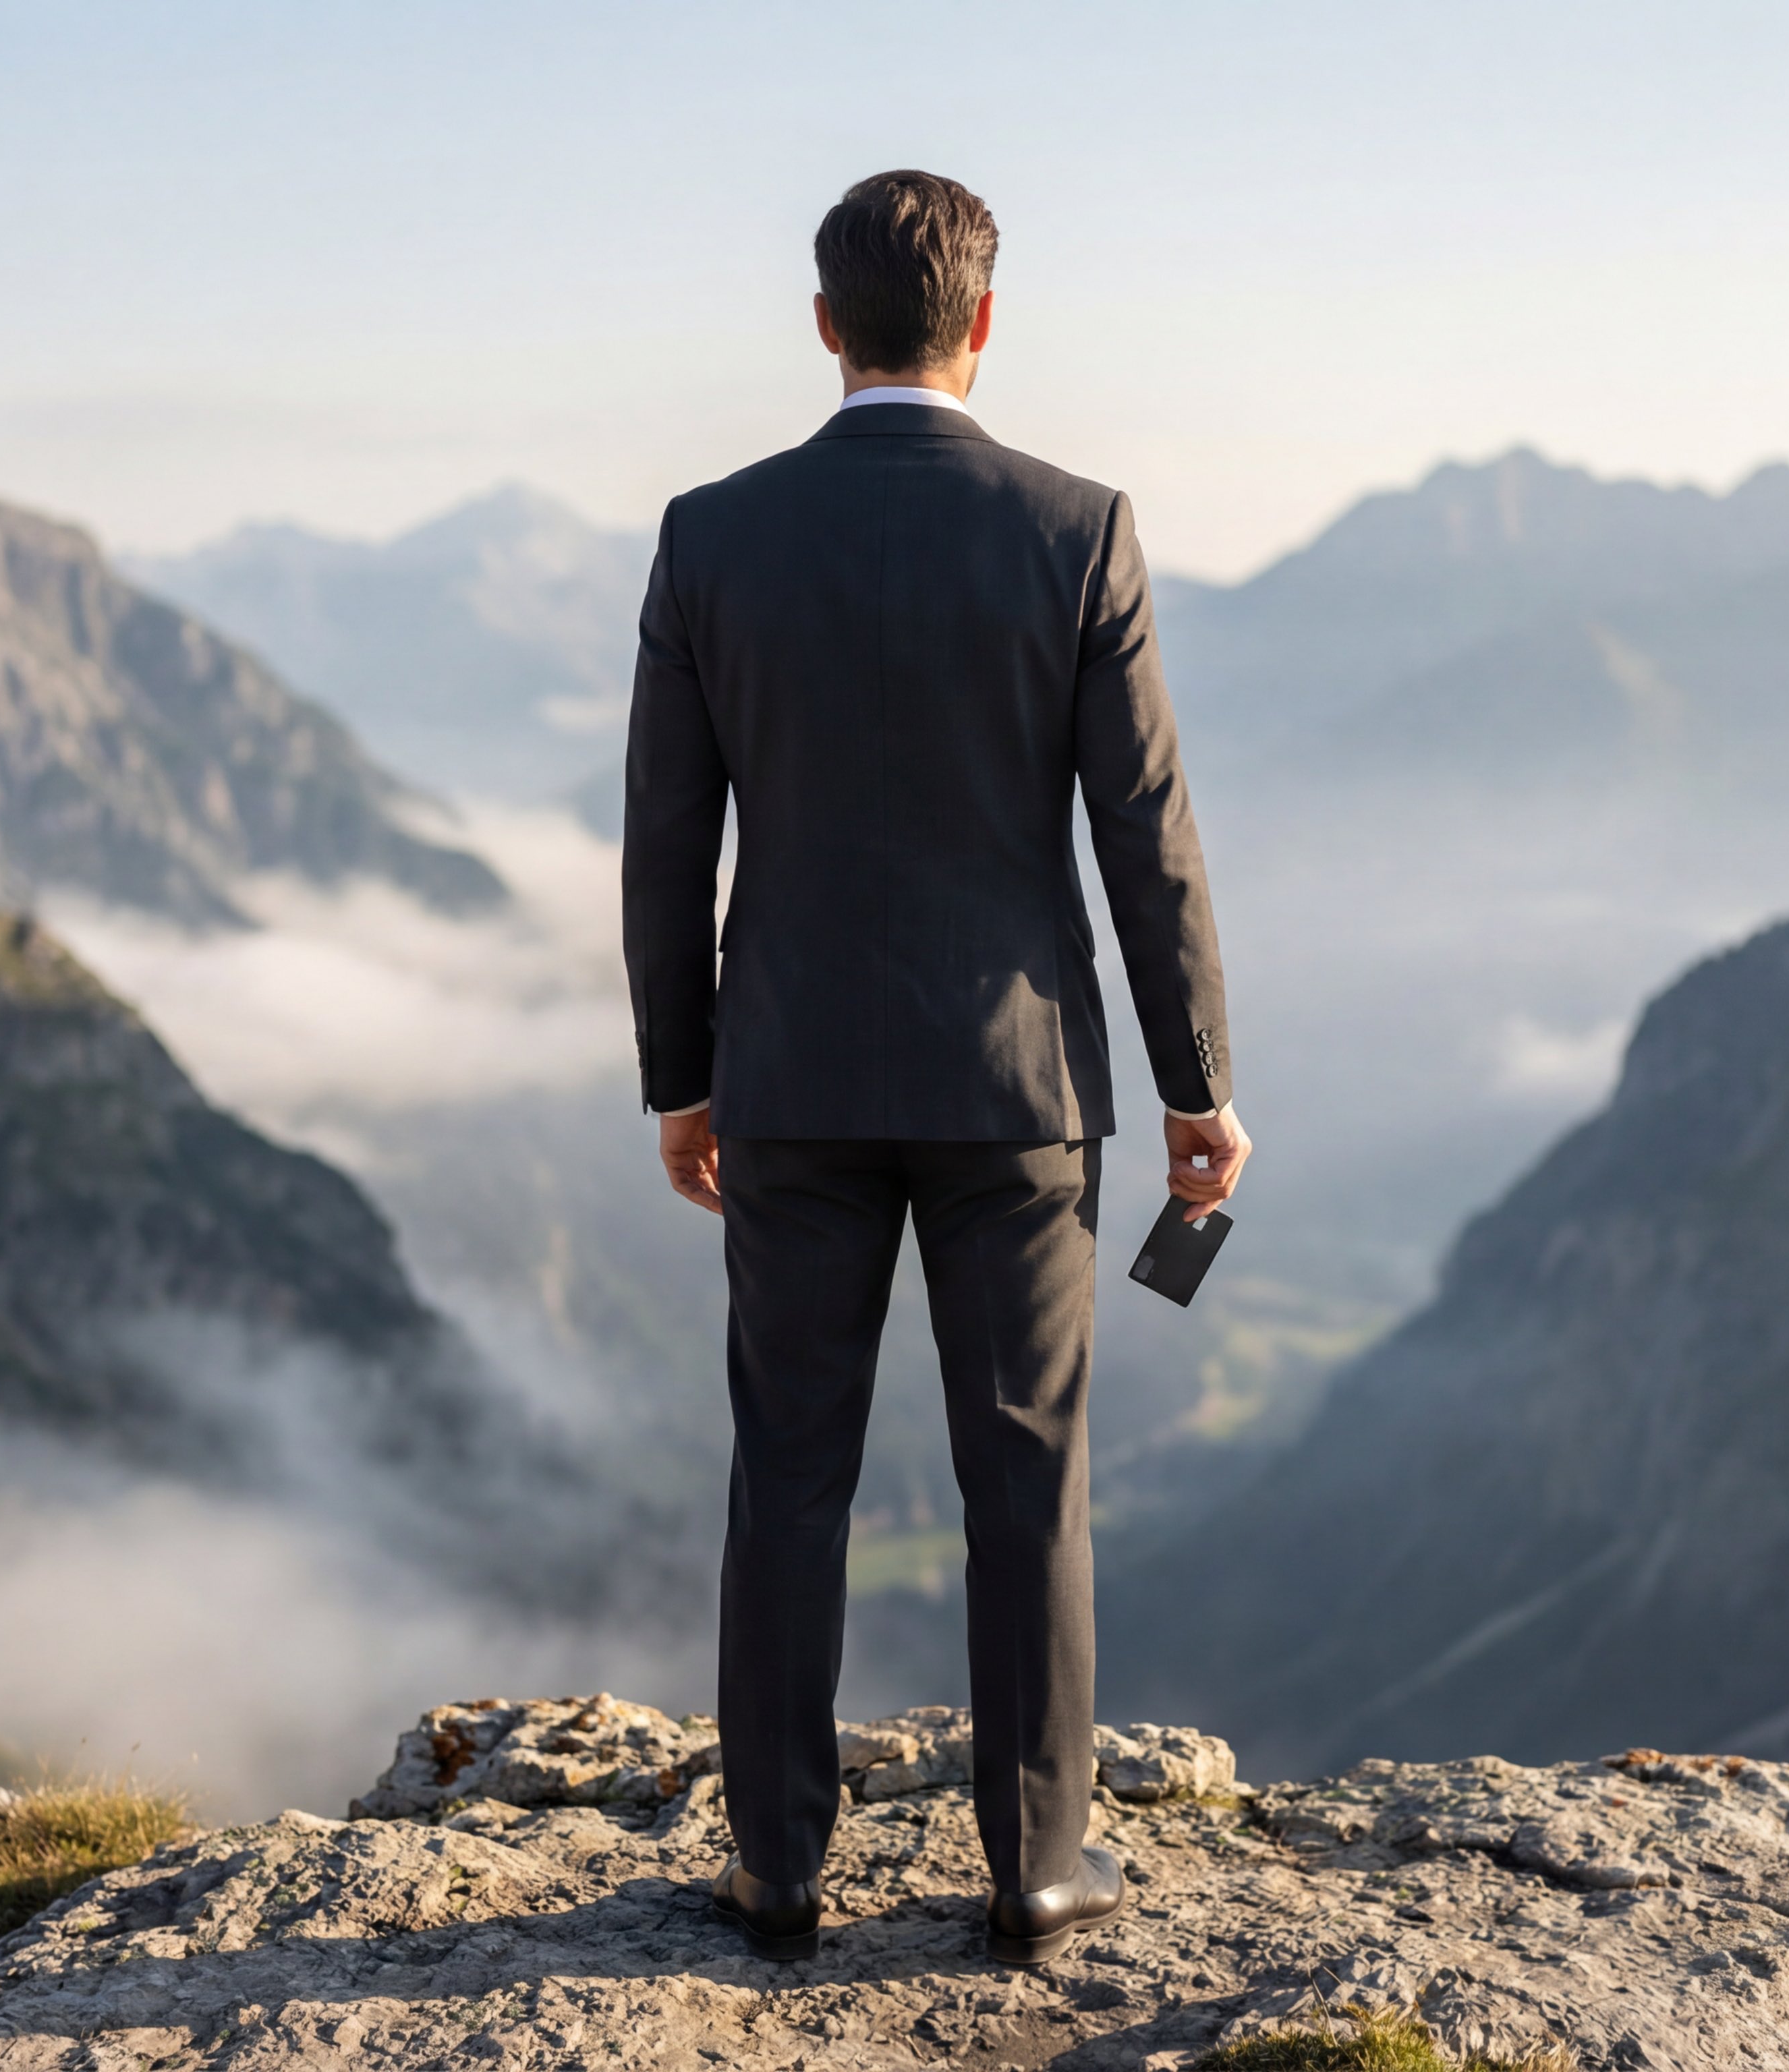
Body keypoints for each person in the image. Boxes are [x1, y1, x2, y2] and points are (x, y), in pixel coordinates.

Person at [622, 168, 1251, 1967]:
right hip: (1020, 1091)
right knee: (1026, 1478)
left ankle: (773, 1871)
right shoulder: (1078, 529)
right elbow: (1149, 836)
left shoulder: (711, 535)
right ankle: (1041, 1871)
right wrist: (1197, 1085)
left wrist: (685, 1079)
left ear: (824, 327)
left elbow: (666, 842)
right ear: (986, 326)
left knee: (791, 1471)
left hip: (793, 1081)